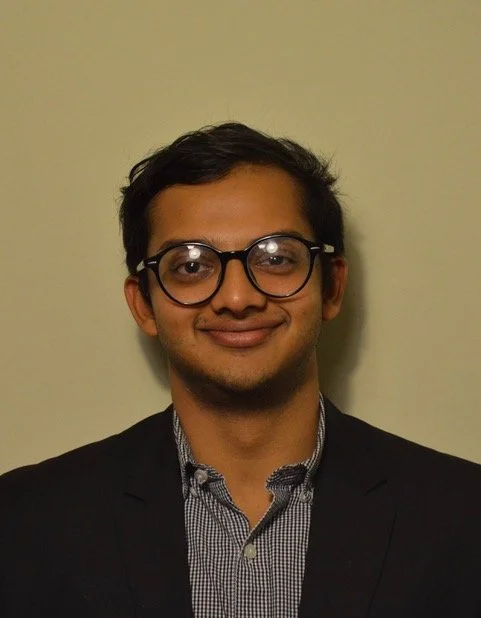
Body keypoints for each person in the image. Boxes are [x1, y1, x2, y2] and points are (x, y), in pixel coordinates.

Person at [1, 123, 480, 618]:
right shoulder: (24, 523)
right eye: (190, 265)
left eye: (276, 258)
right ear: (143, 304)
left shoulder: (464, 517)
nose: (237, 297)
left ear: (332, 287)